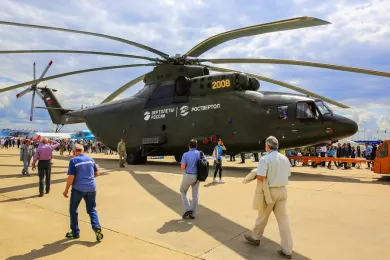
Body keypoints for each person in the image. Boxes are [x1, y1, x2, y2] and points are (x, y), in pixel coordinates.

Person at [244, 136, 293, 259]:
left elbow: (261, 177)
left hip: (270, 192)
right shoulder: (285, 159)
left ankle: (255, 238)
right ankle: (287, 250)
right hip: (282, 191)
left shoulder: (265, 159)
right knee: (283, 221)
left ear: (267, 146)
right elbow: (288, 174)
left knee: (262, 217)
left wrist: (254, 174)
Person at [63, 144, 103, 241]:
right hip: (91, 188)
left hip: (78, 189)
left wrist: (66, 189)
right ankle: (96, 227)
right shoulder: (90, 159)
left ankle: (75, 232)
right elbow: (97, 173)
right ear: (83, 150)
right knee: (92, 209)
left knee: (73, 209)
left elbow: (71, 177)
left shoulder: (74, 161)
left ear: (74, 151)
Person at [180, 139, 201, 219]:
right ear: (197, 146)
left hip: (188, 175)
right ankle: (193, 214)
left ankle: (187, 209)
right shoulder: (200, 154)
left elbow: (182, 167)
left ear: (189, 146)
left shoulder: (185, 154)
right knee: (195, 196)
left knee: (183, 191)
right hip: (198, 177)